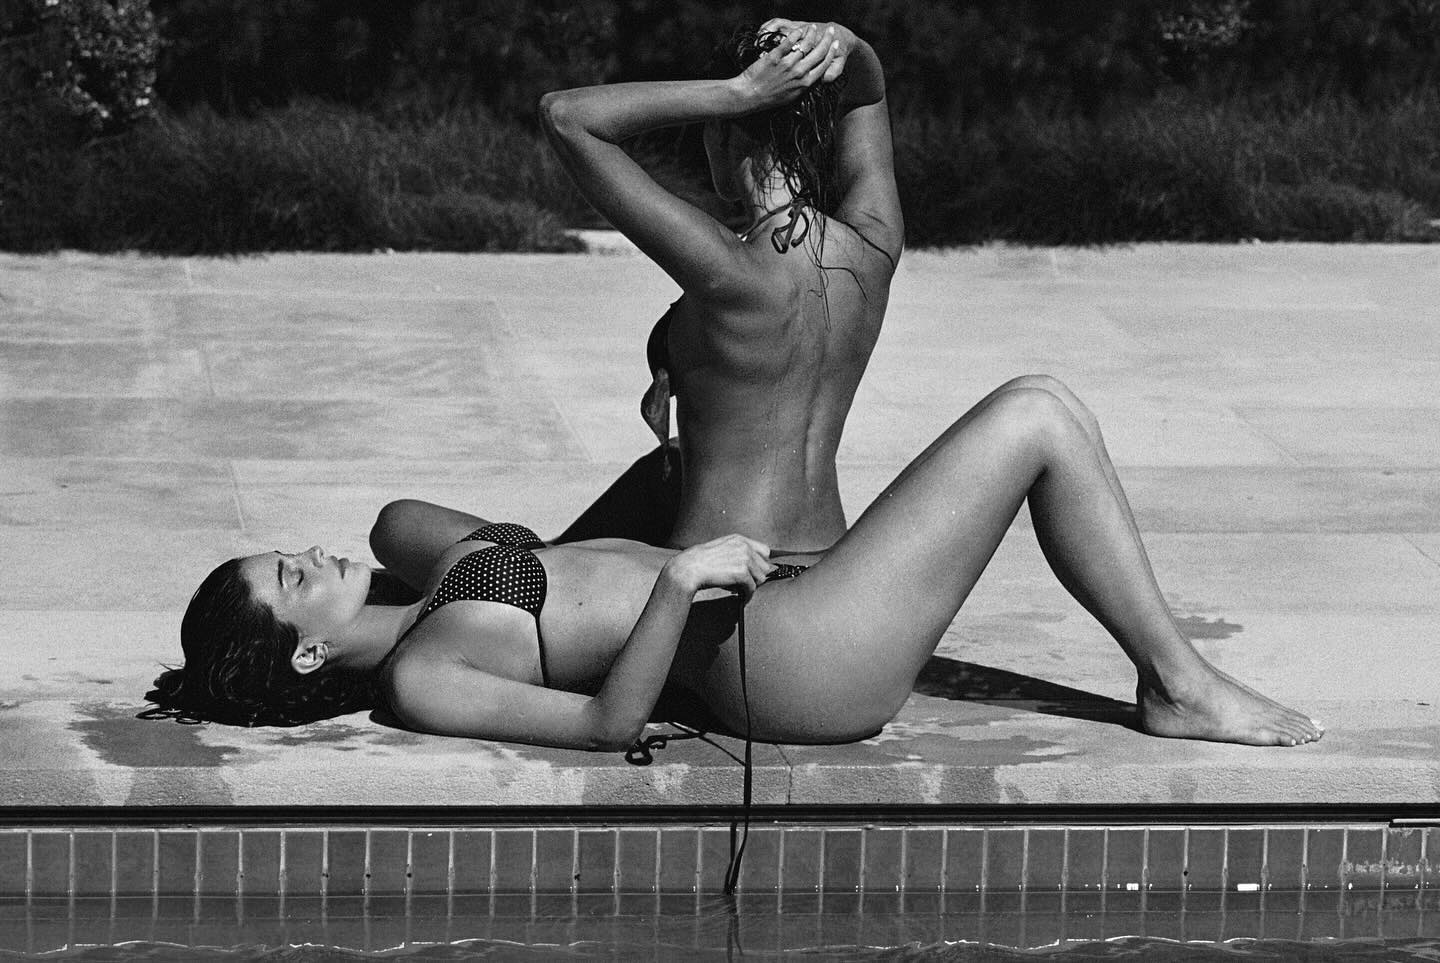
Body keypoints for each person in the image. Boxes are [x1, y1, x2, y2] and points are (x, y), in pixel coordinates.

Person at [150, 377, 1324, 752]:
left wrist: (676, 433)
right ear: (306, 652)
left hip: (770, 604)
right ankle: (1177, 684)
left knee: (1030, 416)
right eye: (292, 577)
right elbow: (607, 725)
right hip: (790, 673)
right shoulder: (422, 679)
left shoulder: (428, 579)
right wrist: (673, 584)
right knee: (1037, 417)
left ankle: (1174, 679)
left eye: (286, 549)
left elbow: (528, 554)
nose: (309, 551)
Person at [369, 18, 903, 588]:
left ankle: (533, 574)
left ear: (723, 135)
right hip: (824, 572)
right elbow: (869, 93)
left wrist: (737, 92)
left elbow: (565, 116)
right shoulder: (872, 245)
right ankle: (550, 560)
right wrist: (844, 42)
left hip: (716, 578)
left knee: (399, 526)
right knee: (659, 474)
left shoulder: (731, 267)